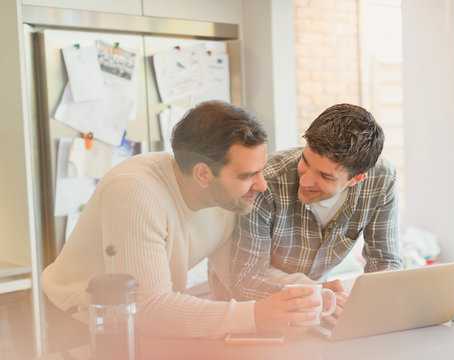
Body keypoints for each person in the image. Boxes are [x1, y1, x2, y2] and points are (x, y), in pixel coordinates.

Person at [42, 100, 321, 339]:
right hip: (84, 323)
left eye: (259, 171)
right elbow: (149, 307)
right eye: (246, 175)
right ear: (202, 174)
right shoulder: (134, 190)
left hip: (142, 322)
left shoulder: (227, 198)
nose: (261, 185)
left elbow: (242, 271)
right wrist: (255, 315)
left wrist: (311, 291)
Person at [228, 103, 402, 325]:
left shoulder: (382, 180)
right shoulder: (266, 183)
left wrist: (368, 311)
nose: (306, 180)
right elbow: (246, 280)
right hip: (249, 312)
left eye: (325, 176)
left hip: (318, 307)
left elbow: (384, 262)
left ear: (356, 179)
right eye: (305, 161)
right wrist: (314, 295)